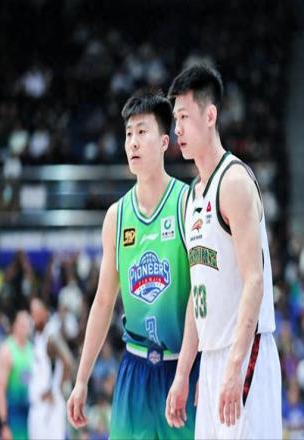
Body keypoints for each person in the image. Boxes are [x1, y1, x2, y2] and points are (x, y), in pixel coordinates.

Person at [67, 90, 198, 439]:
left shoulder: (187, 204)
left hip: (182, 367)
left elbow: (201, 295)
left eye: (142, 132)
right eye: (128, 134)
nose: (133, 142)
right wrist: (81, 379)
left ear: (164, 142)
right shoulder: (116, 216)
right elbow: (103, 301)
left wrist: (186, 372)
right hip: (135, 370)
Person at [165, 63, 282, 439]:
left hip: (245, 353)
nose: (177, 128)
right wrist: (184, 373)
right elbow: (197, 295)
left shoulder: (233, 182)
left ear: (210, 116)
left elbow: (254, 281)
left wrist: (233, 366)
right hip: (213, 357)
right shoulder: (191, 196)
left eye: (184, 117)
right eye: (175, 119)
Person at [28, 296, 75, 440]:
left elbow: (68, 361)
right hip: (38, 404)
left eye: (37, 311)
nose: (33, 315)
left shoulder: (51, 335)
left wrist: (55, 389)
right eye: (32, 312)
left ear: (45, 312)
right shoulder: (37, 336)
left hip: (50, 407)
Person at [0, 309, 33, 440]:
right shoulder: (7, 350)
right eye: (22, 324)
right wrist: (4, 424)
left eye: (28, 325)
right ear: (15, 326)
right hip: (13, 415)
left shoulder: (32, 349)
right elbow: (0, 389)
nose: (25, 328)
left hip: (31, 414)